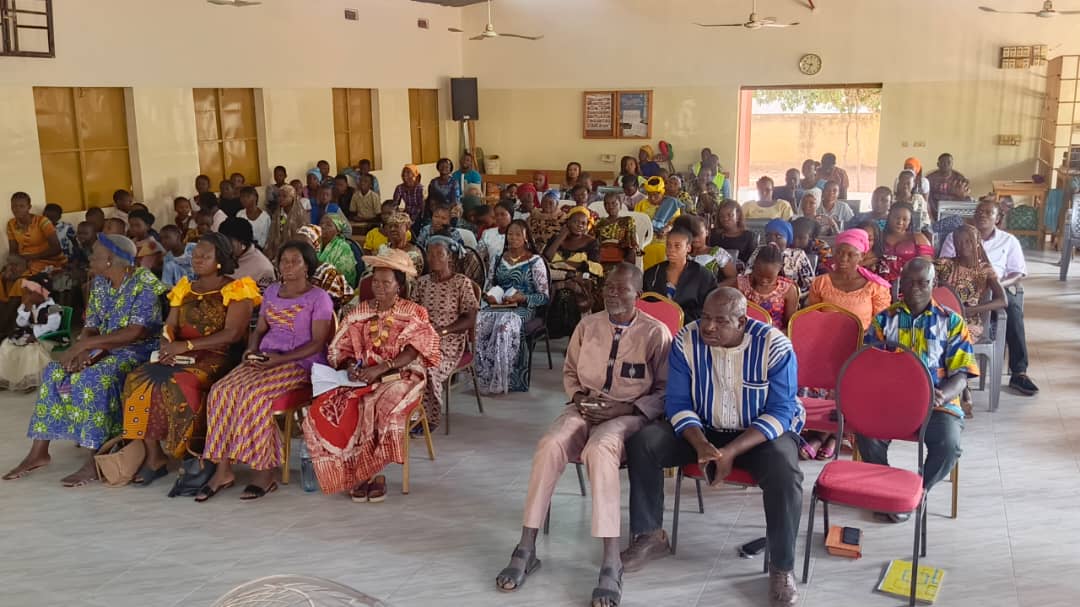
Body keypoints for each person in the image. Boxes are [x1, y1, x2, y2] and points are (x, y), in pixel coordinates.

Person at [495, 263, 672, 605]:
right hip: (584, 407)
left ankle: (611, 561)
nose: (612, 293)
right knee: (550, 444)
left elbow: (664, 391)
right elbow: (570, 372)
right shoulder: (588, 326)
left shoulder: (655, 333)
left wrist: (623, 409)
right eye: (609, 286)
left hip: (628, 415)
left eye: (622, 288)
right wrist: (578, 398)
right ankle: (526, 547)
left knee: (600, 449)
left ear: (638, 294)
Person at [621, 288, 805, 607]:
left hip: (758, 435)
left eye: (720, 321)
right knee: (645, 442)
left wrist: (730, 452)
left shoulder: (774, 346)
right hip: (702, 428)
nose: (708, 327)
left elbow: (781, 411)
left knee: (785, 472)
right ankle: (650, 535)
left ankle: (781, 566)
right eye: (705, 317)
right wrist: (702, 444)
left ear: (742, 322)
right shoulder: (686, 340)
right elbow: (677, 402)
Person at [3, 235, 166, 485]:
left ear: (110, 260)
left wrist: (86, 346)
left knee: (91, 378)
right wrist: (82, 350)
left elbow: (136, 332)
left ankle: (95, 456)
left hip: (137, 350)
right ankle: (39, 452)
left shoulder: (144, 283)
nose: (90, 258)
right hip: (102, 347)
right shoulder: (100, 282)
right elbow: (91, 326)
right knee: (55, 371)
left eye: (95, 255)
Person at [198, 241, 334, 501]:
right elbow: (259, 329)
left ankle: (264, 473)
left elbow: (318, 343)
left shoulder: (319, 298)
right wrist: (251, 350)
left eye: (295, 261)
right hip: (265, 357)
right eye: (284, 261)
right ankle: (223, 470)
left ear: (307, 266)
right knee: (220, 390)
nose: (288, 266)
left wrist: (280, 359)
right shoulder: (272, 291)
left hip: (299, 363)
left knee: (255, 396)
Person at [119, 234, 258, 484]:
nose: (198, 260)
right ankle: (154, 456)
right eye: (195, 256)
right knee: (137, 379)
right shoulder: (185, 288)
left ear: (220, 259)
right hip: (180, 353)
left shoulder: (237, 289)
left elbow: (233, 334)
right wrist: (166, 344)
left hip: (217, 356)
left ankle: (189, 452)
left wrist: (187, 346)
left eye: (205, 256)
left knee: (178, 383)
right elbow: (170, 325)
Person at [303, 248, 439, 501]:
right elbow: (341, 349)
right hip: (364, 375)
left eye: (386, 283)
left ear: (399, 285)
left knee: (376, 404)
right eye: (375, 281)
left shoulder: (414, 312)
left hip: (402, 375)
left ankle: (372, 473)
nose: (379, 287)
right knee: (329, 404)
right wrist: (350, 367)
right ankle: (351, 471)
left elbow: (414, 351)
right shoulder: (358, 312)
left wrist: (382, 367)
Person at [859, 258, 978, 521]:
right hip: (892, 402)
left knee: (949, 445)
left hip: (936, 403)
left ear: (933, 283)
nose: (915, 288)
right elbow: (868, 365)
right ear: (900, 283)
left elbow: (962, 374)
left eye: (923, 283)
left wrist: (942, 395)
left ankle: (916, 493)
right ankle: (888, 491)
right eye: (909, 282)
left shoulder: (952, 321)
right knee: (866, 434)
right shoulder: (884, 320)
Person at [939, 199, 1036, 395]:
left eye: (988, 212)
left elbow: (1017, 273)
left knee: (1013, 310)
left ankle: (1019, 372)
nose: (982, 214)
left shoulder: (1009, 241)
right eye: (979, 211)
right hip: (961, 289)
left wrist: (995, 285)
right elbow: (946, 268)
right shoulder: (956, 236)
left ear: (998, 218)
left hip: (997, 287)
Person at [934, 224, 1007, 415]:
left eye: (968, 241)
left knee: (956, 337)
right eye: (958, 242)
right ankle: (961, 387)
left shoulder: (985, 270)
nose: (963, 246)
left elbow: (1003, 300)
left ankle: (959, 387)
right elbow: (926, 278)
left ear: (977, 243)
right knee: (934, 334)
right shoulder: (944, 264)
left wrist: (971, 310)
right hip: (943, 317)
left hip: (970, 321)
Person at [475, 220, 549, 394]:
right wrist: (489, 296)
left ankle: (505, 378)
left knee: (505, 327)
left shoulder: (535, 261)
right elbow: (489, 286)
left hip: (523, 307)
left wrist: (523, 297)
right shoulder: (498, 259)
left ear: (526, 237)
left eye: (517, 234)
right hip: (499, 305)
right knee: (478, 323)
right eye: (510, 234)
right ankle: (484, 376)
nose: (513, 238)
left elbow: (544, 297)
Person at [414, 237, 479, 431]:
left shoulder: (461, 283)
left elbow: (470, 319)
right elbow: (412, 312)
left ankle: (429, 417)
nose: (433, 258)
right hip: (423, 337)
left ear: (449, 257)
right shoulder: (422, 283)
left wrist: (443, 331)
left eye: (439, 254)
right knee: (405, 362)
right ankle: (411, 413)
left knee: (428, 365)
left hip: (450, 340)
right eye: (430, 254)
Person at [544, 206, 603, 333]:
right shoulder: (556, 238)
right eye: (575, 222)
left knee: (566, 293)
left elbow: (595, 266)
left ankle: (572, 331)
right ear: (568, 222)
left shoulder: (591, 242)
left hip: (580, 278)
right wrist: (561, 236)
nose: (580, 225)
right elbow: (546, 258)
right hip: (555, 277)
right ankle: (553, 329)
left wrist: (562, 264)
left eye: (583, 223)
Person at [0, 274, 61, 391]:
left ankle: (30, 380)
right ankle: (6, 377)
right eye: (26, 293)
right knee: (7, 345)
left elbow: (52, 326)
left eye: (30, 293)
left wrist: (35, 335)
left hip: (47, 336)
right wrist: (27, 309)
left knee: (30, 350)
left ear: (42, 293)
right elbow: (20, 323)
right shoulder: (28, 305)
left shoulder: (53, 307)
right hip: (29, 334)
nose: (27, 296)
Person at [642, 227, 716, 323]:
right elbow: (644, 303)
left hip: (689, 326)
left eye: (677, 246)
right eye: (668, 245)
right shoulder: (652, 273)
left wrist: (677, 318)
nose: (671, 250)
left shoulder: (703, 276)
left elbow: (709, 308)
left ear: (688, 248)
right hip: (656, 325)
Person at [745, 219, 815, 300]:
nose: (772, 239)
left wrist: (795, 295)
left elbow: (810, 283)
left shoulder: (798, 255)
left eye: (778, 236)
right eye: (768, 235)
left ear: (787, 238)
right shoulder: (759, 251)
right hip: (759, 296)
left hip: (791, 298)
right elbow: (747, 275)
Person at [737, 245, 798, 330]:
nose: (763, 280)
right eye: (759, 275)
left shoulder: (788, 290)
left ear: (779, 270)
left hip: (773, 334)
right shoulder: (740, 283)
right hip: (743, 332)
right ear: (754, 265)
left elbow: (790, 325)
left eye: (769, 278)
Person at [7, 192, 67, 277]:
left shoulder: (42, 221)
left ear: (29, 207)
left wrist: (31, 257)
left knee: (24, 279)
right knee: (5, 276)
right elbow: (13, 250)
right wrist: (13, 264)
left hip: (49, 261)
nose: (17, 209)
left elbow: (56, 248)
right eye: (14, 206)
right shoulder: (11, 224)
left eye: (21, 206)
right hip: (25, 262)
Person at [296, 224, 354, 309]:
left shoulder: (328, 273)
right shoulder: (290, 270)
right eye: (295, 244)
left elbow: (333, 305)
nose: (297, 249)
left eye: (305, 245)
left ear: (315, 247)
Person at [675, 215, 735, 286]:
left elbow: (733, 278)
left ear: (707, 232)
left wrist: (715, 288)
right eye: (693, 233)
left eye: (700, 233)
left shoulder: (718, 253)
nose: (696, 237)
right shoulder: (683, 254)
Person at [636, 177, 681, 270]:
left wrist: (667, 228)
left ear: (662, 192)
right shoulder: (641, 205)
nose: (652, 198)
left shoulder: (671, 204)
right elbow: (636, 223)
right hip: (645, 242)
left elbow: (677, 223)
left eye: (656, 195)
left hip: (665, 242)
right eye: (649, 195)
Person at [219, 217, 276, 290]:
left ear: (243, 243)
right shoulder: (219, 256)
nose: (224, 247)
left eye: (228, 242)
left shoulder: (264, 269)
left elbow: (267, 295)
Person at [881, 202, 933, 279]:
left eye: (905, 219)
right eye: (897, 218)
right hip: (880, 281)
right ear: (889, 217)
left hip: (910, 281)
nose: (900, 222)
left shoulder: (918, 238)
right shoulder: (879, 236)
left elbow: (927, 266)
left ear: (910, 221)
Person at [264, 184, 308, 261]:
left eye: (284, 196)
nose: (280, 199)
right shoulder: (277, 213)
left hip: (296, 249)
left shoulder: (300, 214)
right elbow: (272, 233)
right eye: (279, 196)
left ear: (292, 198)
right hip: (278, 250)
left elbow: (304, 235)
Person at [595, 192, 638, 269]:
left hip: (621, 253)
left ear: (620, 205)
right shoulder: (599, 222)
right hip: (603, 254)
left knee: (632, 251)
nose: (610, 207)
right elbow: (595, 241)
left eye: (614, 203)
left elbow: (632, 242)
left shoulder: (627, 220)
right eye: (607, 204)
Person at [317, 212, 361, 288]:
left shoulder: (344, 248)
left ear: (338, 231)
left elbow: (344, 276)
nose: (323, 226)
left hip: (336, 287)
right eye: (321, 223)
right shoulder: (315, 243)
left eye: (328, 225)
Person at [377, 211, 425, 280]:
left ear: (407, 228)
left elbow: (411, 278)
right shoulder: (383, 249)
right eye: (390, 226)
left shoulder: (414, 254)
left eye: (396, 226)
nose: (392, 229)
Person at [708, 199, 757, 264]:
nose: (725, 218)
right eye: (721, 216)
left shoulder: (749, 237)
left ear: (738, 216)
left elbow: (752, 263)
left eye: (729, 215)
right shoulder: (713, 234)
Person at [925, 153, 971, 219]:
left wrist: (961, 195)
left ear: (952, 164)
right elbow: (926, 198)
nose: (946, 164)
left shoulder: (959, 179)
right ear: (938, 164)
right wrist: (932, 215)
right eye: (943, 162)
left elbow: (965, 197)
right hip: (934, 211)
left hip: (954, 211)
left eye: (948, 162)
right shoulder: (930, 178)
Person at [128, 209, 164, 274]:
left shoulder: (154, 245)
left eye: (137, 225)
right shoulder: (130, 242)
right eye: (131, 225)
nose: (134, 228)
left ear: (148, 226)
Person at [480, 202, 515, 269]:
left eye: (502, 214)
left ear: (511, 215)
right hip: (492, 272)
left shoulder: (517, 236)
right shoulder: (488, 234)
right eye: (496, 215)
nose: (499, 217)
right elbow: (478, 255)